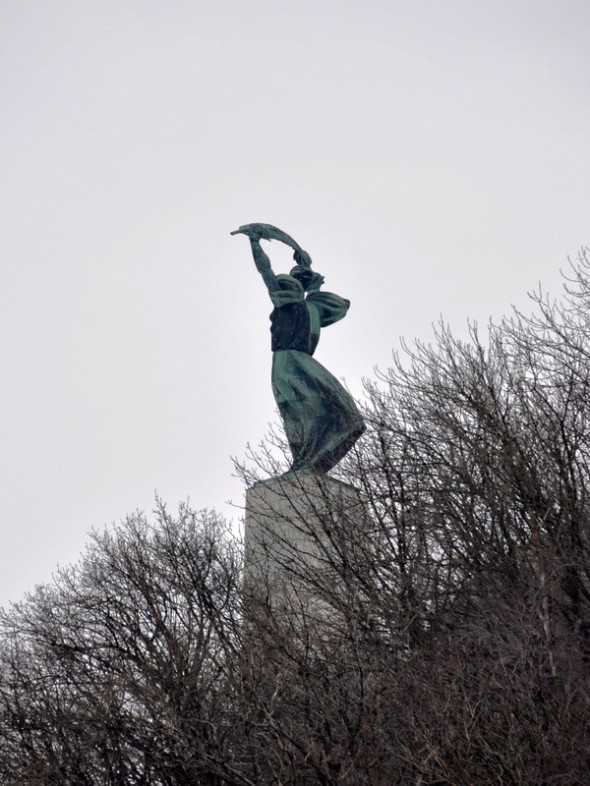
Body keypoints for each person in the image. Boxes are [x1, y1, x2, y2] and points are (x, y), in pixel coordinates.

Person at [248, 235, 365, 474]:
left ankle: (312, 459)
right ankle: (303, 460)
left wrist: (307, 272)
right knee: (304, 410)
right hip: (287, 361)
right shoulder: (283, 303)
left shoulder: (311, 306)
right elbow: (265, 270)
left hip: (303, 361)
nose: (284, 288)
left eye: (291, 284)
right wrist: (255, 242)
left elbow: (319, 296)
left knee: (334, 407)